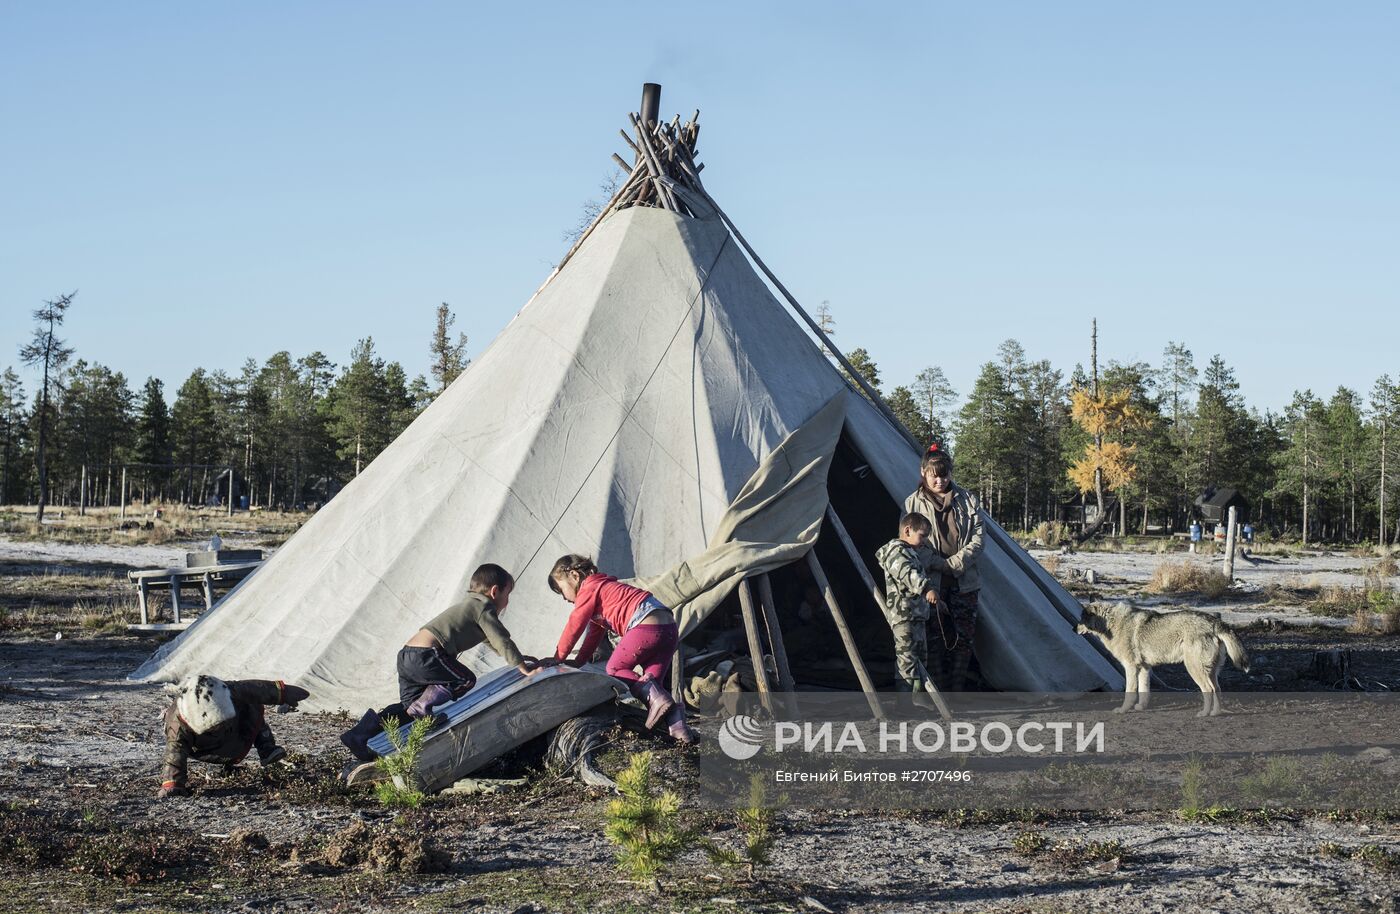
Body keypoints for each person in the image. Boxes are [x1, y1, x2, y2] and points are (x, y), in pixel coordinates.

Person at [339, 563, 537, 761]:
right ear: (494, 591)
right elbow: (501, 638)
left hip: (407, 655)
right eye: (507, 594)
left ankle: (359, 735)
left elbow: (491, 640)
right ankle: (422, 706)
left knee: (408, 710)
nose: (507, 602)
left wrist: (517, 658)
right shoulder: (483, 607)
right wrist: (523, 669)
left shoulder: (468, 607)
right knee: (465, 680)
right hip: (427, 654)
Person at [548, 554, 696, 744]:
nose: (564, 598)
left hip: (645, 625)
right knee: (654, 692)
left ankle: (664, 711)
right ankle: (680, 733)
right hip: (668, 629)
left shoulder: (589, 587)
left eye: (561, 590)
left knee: (615, 669)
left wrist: (559, 656)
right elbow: (595, 634)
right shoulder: (603, 592)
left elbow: (575, 624)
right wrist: (579, 661)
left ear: (575, 576)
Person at [904, 444, 984, 691]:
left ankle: (957, 689)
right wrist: (941, 564)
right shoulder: (913, 503)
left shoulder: (968, 500)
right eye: (933, 475)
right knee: (934, 638)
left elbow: (978, 538)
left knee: (964, 638)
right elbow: (911, 542)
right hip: (932, 583)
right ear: (923, 473)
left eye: (944, 474)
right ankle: (938, 690)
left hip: (965, 580)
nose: (939, 480)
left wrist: (956, 563)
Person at [158, 674, 310, 797]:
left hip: (236, 730)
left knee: (252, 703)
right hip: (206, 748)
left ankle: (266, 748)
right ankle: (223, 764)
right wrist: (173, 784)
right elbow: (175, 752)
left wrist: (282, 693)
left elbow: (254, 690)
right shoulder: (177, 723)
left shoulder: (223, 690)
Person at [876, 512, 943, 707]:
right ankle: (904, 705)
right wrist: (927, 588)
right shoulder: (896, 551)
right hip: (904, 615)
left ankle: (917, 700)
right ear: (907, 530)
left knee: (920, 658)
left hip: (917, 614)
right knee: (906, 660)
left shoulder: (910, 552)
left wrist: (937, 601)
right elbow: (907, 573)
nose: (923, 542)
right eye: (921, 536)